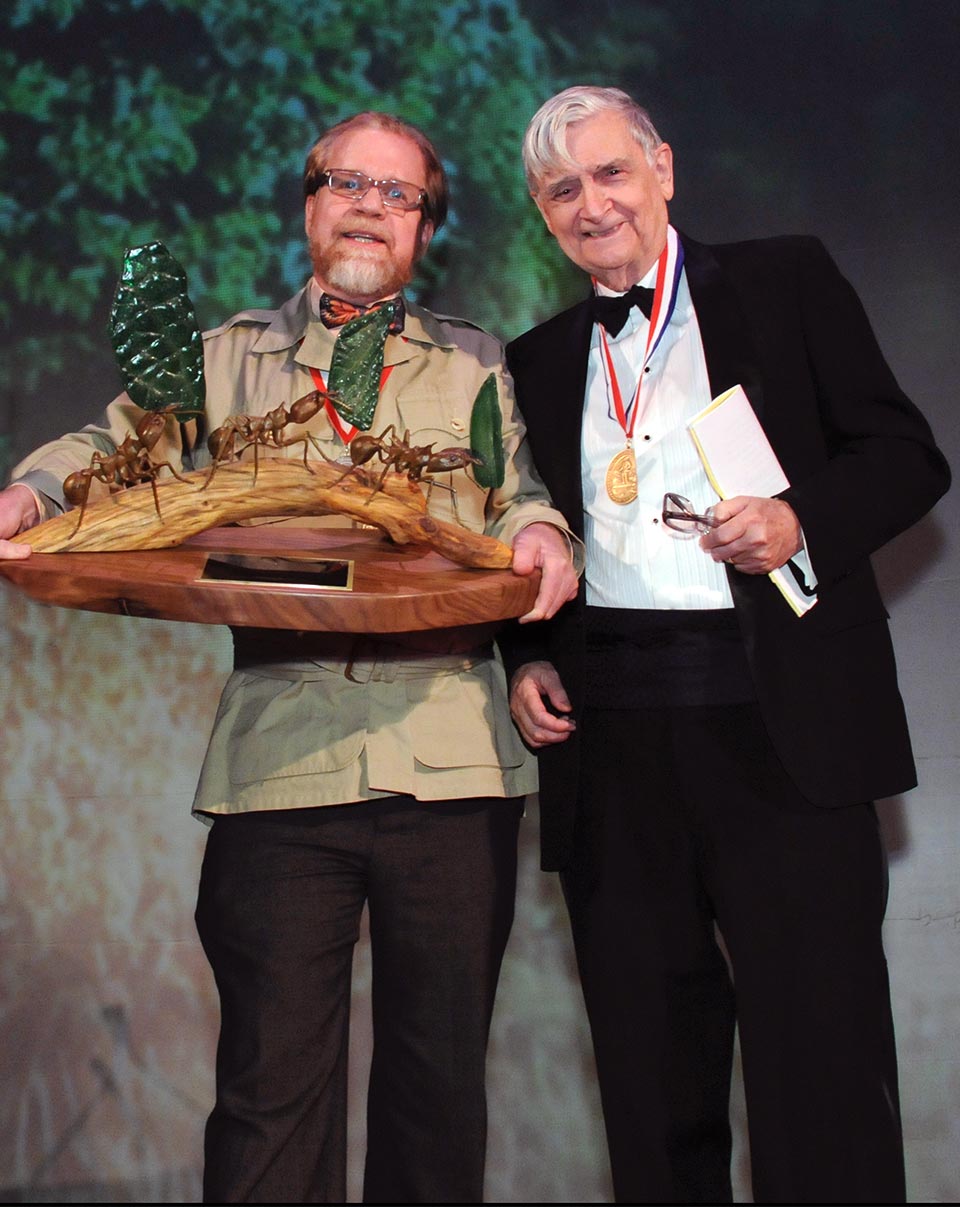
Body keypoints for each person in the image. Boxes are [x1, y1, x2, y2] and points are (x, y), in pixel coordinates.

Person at [0, 111, 579, 1203]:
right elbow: (113, 449)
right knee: (268, 1088)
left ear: (424, 228)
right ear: (310, 204)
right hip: (280, 766)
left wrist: (543, 532)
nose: (368, 204)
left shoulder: (476, 367)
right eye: (345, 182)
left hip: (452, 761)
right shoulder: (226, 360)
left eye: (396, 192)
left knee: (438, 1090)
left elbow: (525, 498)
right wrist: (30, 490)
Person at [502, 85, 950, 1204]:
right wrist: (529, 661)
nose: (593, 203)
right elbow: (519, 539)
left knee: (823, 1070)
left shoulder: (783, 279)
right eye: (565, 190)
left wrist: (800, 519)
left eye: (612, 173)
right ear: (543, 217)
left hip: (782, 725)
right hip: (611, 747)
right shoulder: (536, 358)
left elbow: (906, 458)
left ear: (664, 169)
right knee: (653, 1084)